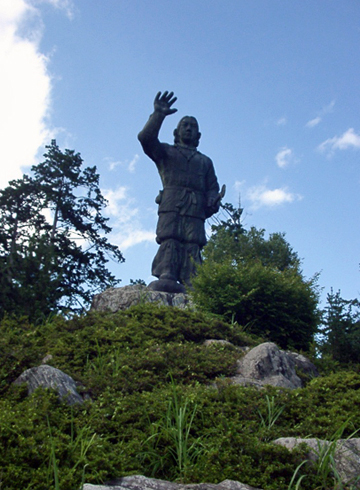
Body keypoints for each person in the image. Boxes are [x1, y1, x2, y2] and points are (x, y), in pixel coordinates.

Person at [138, 91, 224, 293]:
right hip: (172, 202)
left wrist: (212, 199)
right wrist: (158, 115)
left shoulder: (204, 161)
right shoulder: (167, 152)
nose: (188, 129)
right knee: (170, 237)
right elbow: (146, 139)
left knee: (193, 242)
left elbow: (213, 187)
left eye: (193, 127)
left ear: (199, 136)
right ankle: (166, 272)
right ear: (176, 132)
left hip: (195, 206)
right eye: (184, 125)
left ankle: (192, 280)